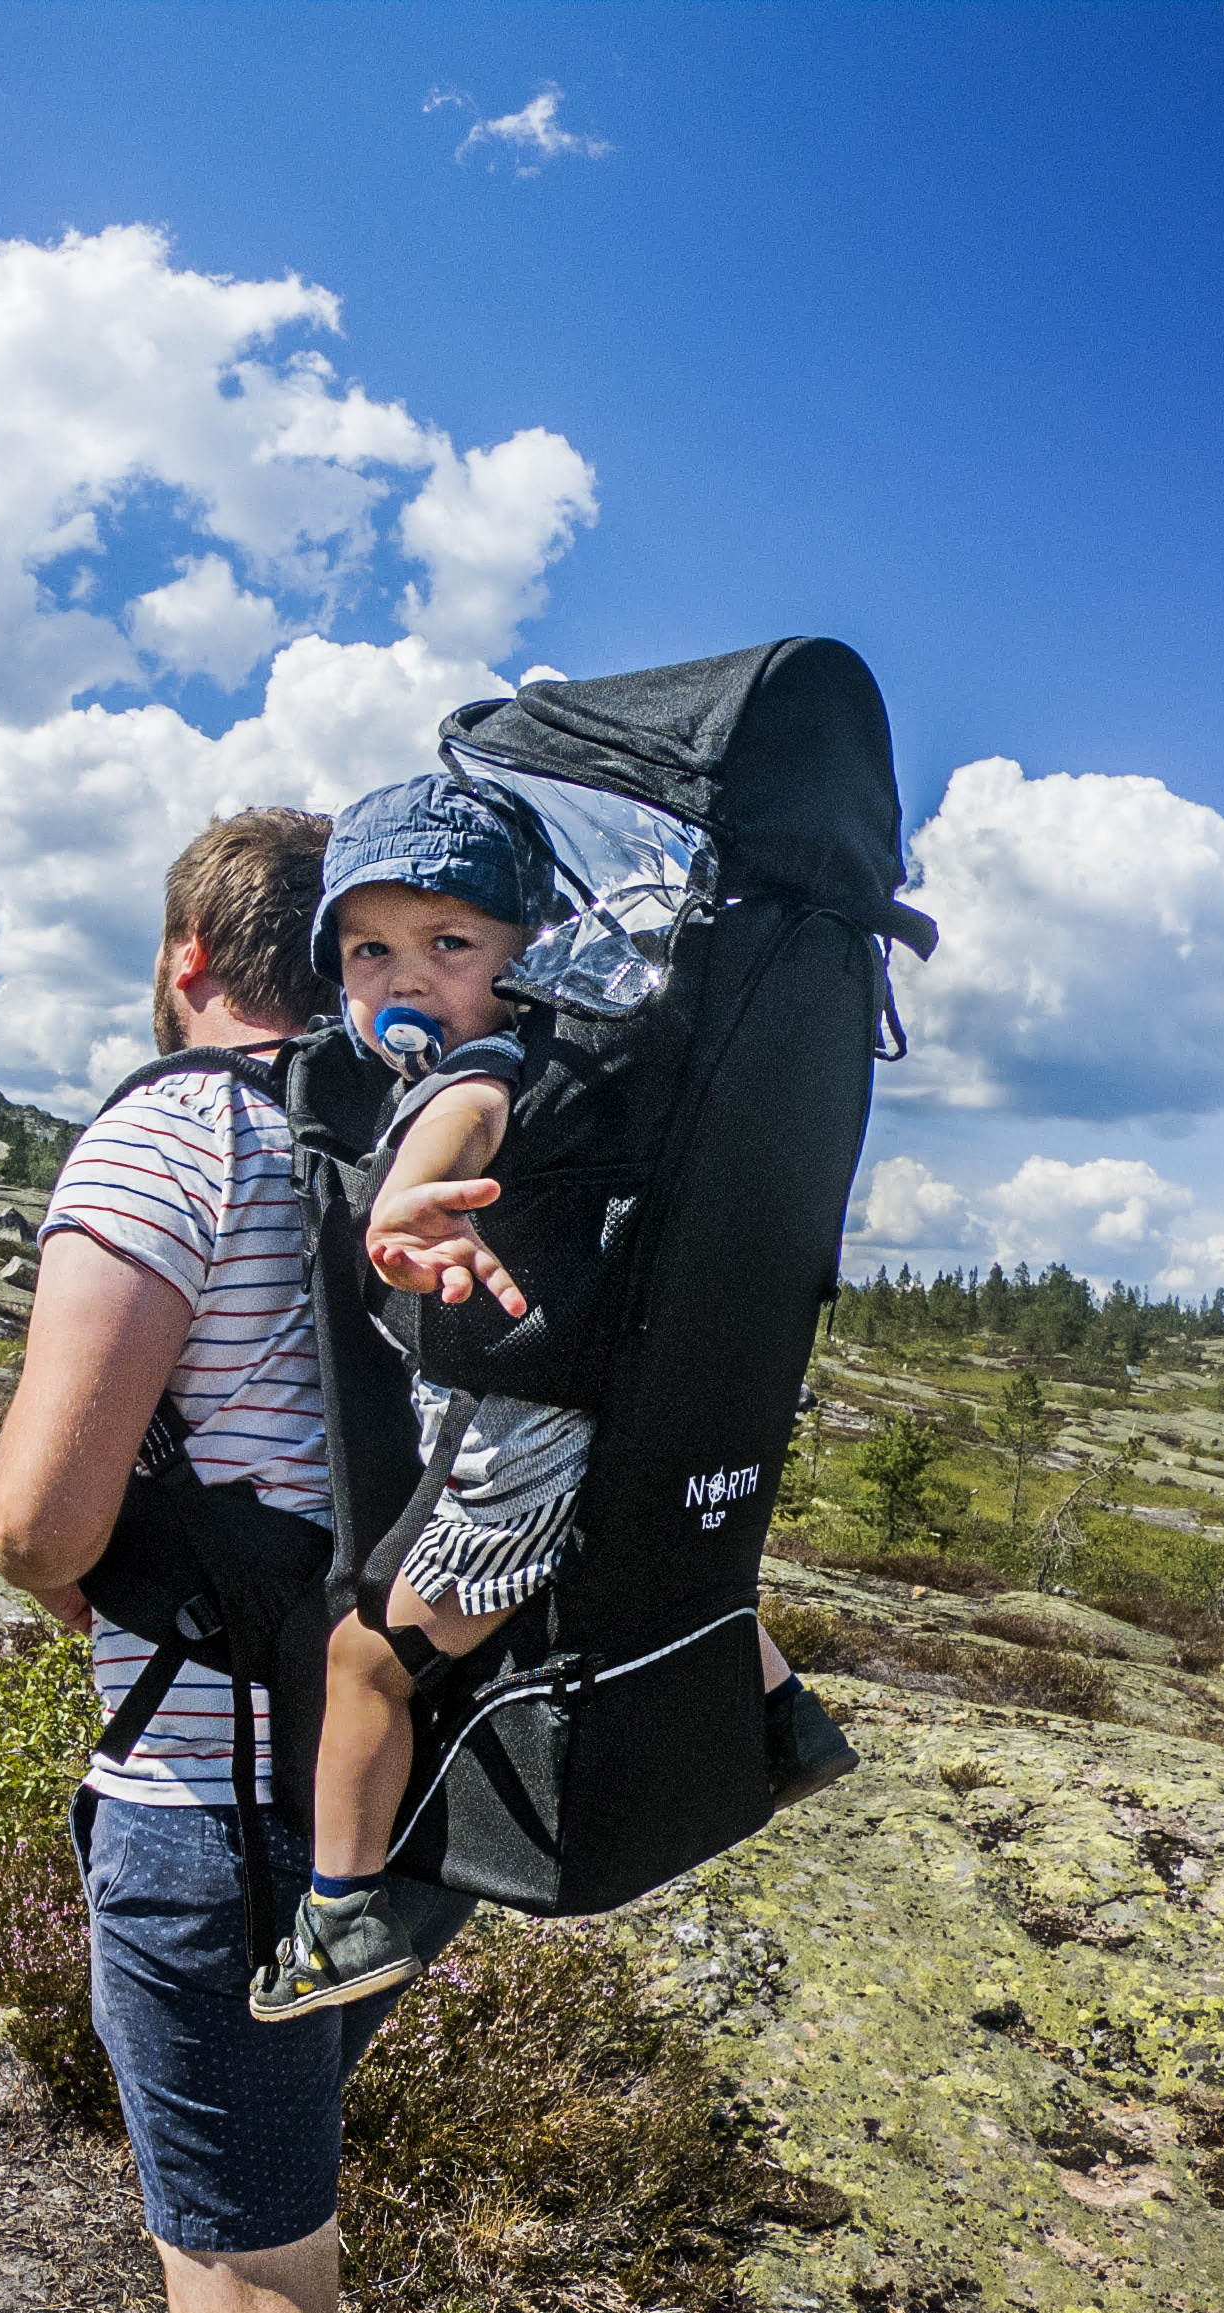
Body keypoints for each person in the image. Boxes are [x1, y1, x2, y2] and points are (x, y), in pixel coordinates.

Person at [0, 807, 608, 2313]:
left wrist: (24, 1550)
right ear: (324, 959)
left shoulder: (175, 1140)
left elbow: (39, 1521)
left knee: (255, 2291)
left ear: (185, 961)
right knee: (255, 2206)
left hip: (207, 1809)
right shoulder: (412, 1123)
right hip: (387, 1793)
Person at [252, 775, 857, 2026]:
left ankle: (340, 1914)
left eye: (449, 944)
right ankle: (785, 1724)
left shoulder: (485, 1070)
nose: (408, 978)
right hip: (634, 1418)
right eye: (369, 952)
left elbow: (459, 1124)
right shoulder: (581, 1068)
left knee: (365, 1664)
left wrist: (398, 1205)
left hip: (513, 1453)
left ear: (525, 953)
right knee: (651, 1574)